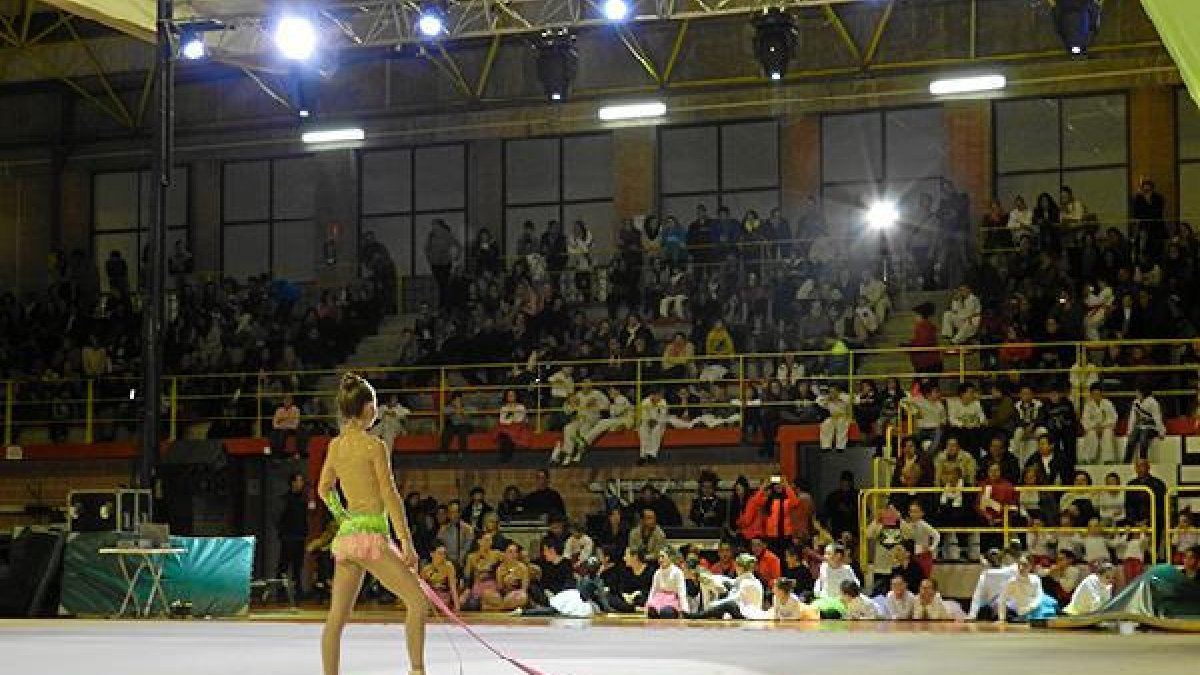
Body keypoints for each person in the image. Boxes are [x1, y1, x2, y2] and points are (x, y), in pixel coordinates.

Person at [318, 373, 427, 675]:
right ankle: (417, 670)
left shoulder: (335, 446)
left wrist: (342, 516)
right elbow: (390, 496)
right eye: (375, 406)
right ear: (367, 409)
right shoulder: (374, 446)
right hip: (370, 537)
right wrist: (406, 542)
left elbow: (323, 488)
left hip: (347, 537)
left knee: (336, 618)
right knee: (417, 603)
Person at [686, 553, 767, 619]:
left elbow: (734, 599)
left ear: (741, 567)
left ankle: (698, 615)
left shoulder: (748, 582)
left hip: (748, 612)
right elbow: (729, 581)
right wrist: (710, 576)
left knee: (729, 605)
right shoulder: (745, 579)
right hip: (742, 608)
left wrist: (716, 603)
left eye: (737, 566)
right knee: (725, 590)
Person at [996, 555, 1059, 623]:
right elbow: (1002, 599)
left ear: (1030, 566)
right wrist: (1002, 619)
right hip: (1026, 612)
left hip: (1038, 606)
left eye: (1024, 565)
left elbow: (1039, 595)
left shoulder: (1035, 578)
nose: (1021, 568)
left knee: (1048, 600)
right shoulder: (1012, 582)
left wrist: (1034, 606)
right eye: (1019, 565)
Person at [277, 472, 310, 599]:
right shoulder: (285, 499)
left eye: (302, 481)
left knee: (298, 566)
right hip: (288, 536)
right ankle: (281, 591)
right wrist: (283, 531)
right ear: (292, 483)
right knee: (284, 565)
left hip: (300, 536)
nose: (300, 484)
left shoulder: (302, 500)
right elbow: (279, 517)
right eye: (298, 481)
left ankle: (298, 591)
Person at [967, 548, 1018, 621]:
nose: (995, 558)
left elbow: (1015, 567)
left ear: (1001, 557)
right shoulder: (984, 576)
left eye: (996, 555)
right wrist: (972, 615)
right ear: (988, 558)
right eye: (992, 555)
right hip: (994, 607)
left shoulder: (1011, 570)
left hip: (1010, 604)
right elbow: (977, 596)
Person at [425, 218, 462, 307]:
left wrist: (455, 258)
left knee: (444, 285)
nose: (433, 227)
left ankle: (445, 305)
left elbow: (458, 245)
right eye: (432, 225)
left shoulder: (447, 234)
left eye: (435, 225)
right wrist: (430, 258)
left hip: (445, 263)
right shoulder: (431, 236)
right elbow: (427, 248)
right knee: (441, 285)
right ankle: (444, 304)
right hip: (435, 264)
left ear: (440, 225)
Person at [1124, 385, 1165, 462]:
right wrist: (1129, 431)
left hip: (1152, 427)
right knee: (1131, 440)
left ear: (1143, 393)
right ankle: (1126, 462)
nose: (1136, 393)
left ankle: (1143, 461)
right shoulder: (1136, 402)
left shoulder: (1153, 402)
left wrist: (1161, 432)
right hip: (1140, 426)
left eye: (1137, 392)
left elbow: (1157, 418)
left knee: (1143, 438)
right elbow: (1132, 418)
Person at [646, 547, 688, 619]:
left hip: (672, 600)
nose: (660, 560)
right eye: (659, 557)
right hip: (659, 599)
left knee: (666, 613)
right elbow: (653, 590)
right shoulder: (657, 572)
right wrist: (648, 604)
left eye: (663, 557)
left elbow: (682, 592)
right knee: (651, 612)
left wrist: (685, 610)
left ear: (670, 558)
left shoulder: (677, 572)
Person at [1081, 384, 1118, 465]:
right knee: (1091, 434)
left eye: (1098, 394)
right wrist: (1095, 426)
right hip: (1093, 428)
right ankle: (1088, 459)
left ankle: (1108, 459)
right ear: (1091, 395)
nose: (1096, 396)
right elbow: (1085, 420)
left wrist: (1103, 426)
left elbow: (1114, 418)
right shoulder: (1088, 405)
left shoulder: (1108, 403)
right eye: (1094, 394)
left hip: (1106, 427)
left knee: (1107, 433)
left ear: (1101, 394)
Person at [420, 542, 460, 612]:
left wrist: (457, 605)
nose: (443, 556)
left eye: (444, 553)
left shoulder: (448, 566)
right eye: (440, 553)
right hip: (431, 598)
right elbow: (422, 588)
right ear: (432, 554)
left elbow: (452, 586)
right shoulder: (426, 569)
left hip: (444, 597)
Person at [492, 390, 531, 464]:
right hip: (506, 427)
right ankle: (504, 459)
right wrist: (512, 417)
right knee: (505, 436)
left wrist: (510, 417)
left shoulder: (521, 407)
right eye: (509, 395)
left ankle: (506, 459)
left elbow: (519, 419)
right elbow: (502, 420)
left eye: (512, 395)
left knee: (508, 436)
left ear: (516, 396)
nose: (510, 397)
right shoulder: (504, 408)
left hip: (519, 428)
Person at [637, 389, 669, 465]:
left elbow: (663, 415)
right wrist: (648, 421)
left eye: (661, 395)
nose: (660, 397)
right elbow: (643, 415)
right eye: (658, 395)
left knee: (656, 431)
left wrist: (655, 422)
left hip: (659, 422)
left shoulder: (663, 402)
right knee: (642, 430)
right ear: (653, 395)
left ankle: (652, 455)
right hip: (647, 421)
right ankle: (643, 456)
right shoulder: (645, 402)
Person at [817, 382, 851, 453]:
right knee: (825, 424)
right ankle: (826, 446)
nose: (832, 393)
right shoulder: (827, 397)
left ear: (838, 391)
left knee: (842, 426)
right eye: (831, 391)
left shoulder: (844, 396)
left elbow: (854, 399)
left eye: (834, 391)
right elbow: (819, 401)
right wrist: (828, 399)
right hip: (832, 417)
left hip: (843, 416)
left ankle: (840, 447)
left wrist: (838, 398)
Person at [438, 392, 472, 461]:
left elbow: (473, 410)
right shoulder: (450, 406)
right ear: (452, 400)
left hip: (464, 424)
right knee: (446, 433)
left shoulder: (465, 406)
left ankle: (462, 452)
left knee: (463, 432)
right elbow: (444, 410)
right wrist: (455, 409)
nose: (457, 401)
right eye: (455, 400)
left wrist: (462, 410)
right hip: (453, 425)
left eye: (459, 399)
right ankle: (444, 453)